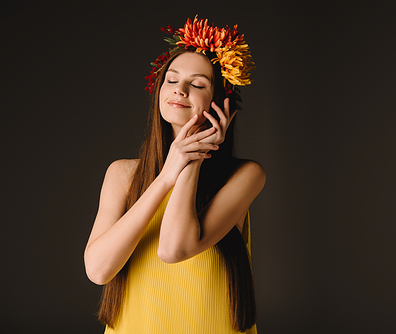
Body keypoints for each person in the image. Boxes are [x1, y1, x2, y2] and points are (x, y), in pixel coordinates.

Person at [84, 16, 265, 334]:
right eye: (171, 79)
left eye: (198, 84)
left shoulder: (246, 175)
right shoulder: (122, 173)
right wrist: (167, 174)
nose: (180, 89)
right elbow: (98, 271)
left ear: (219, 102)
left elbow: (173, 249)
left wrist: (192, 158)